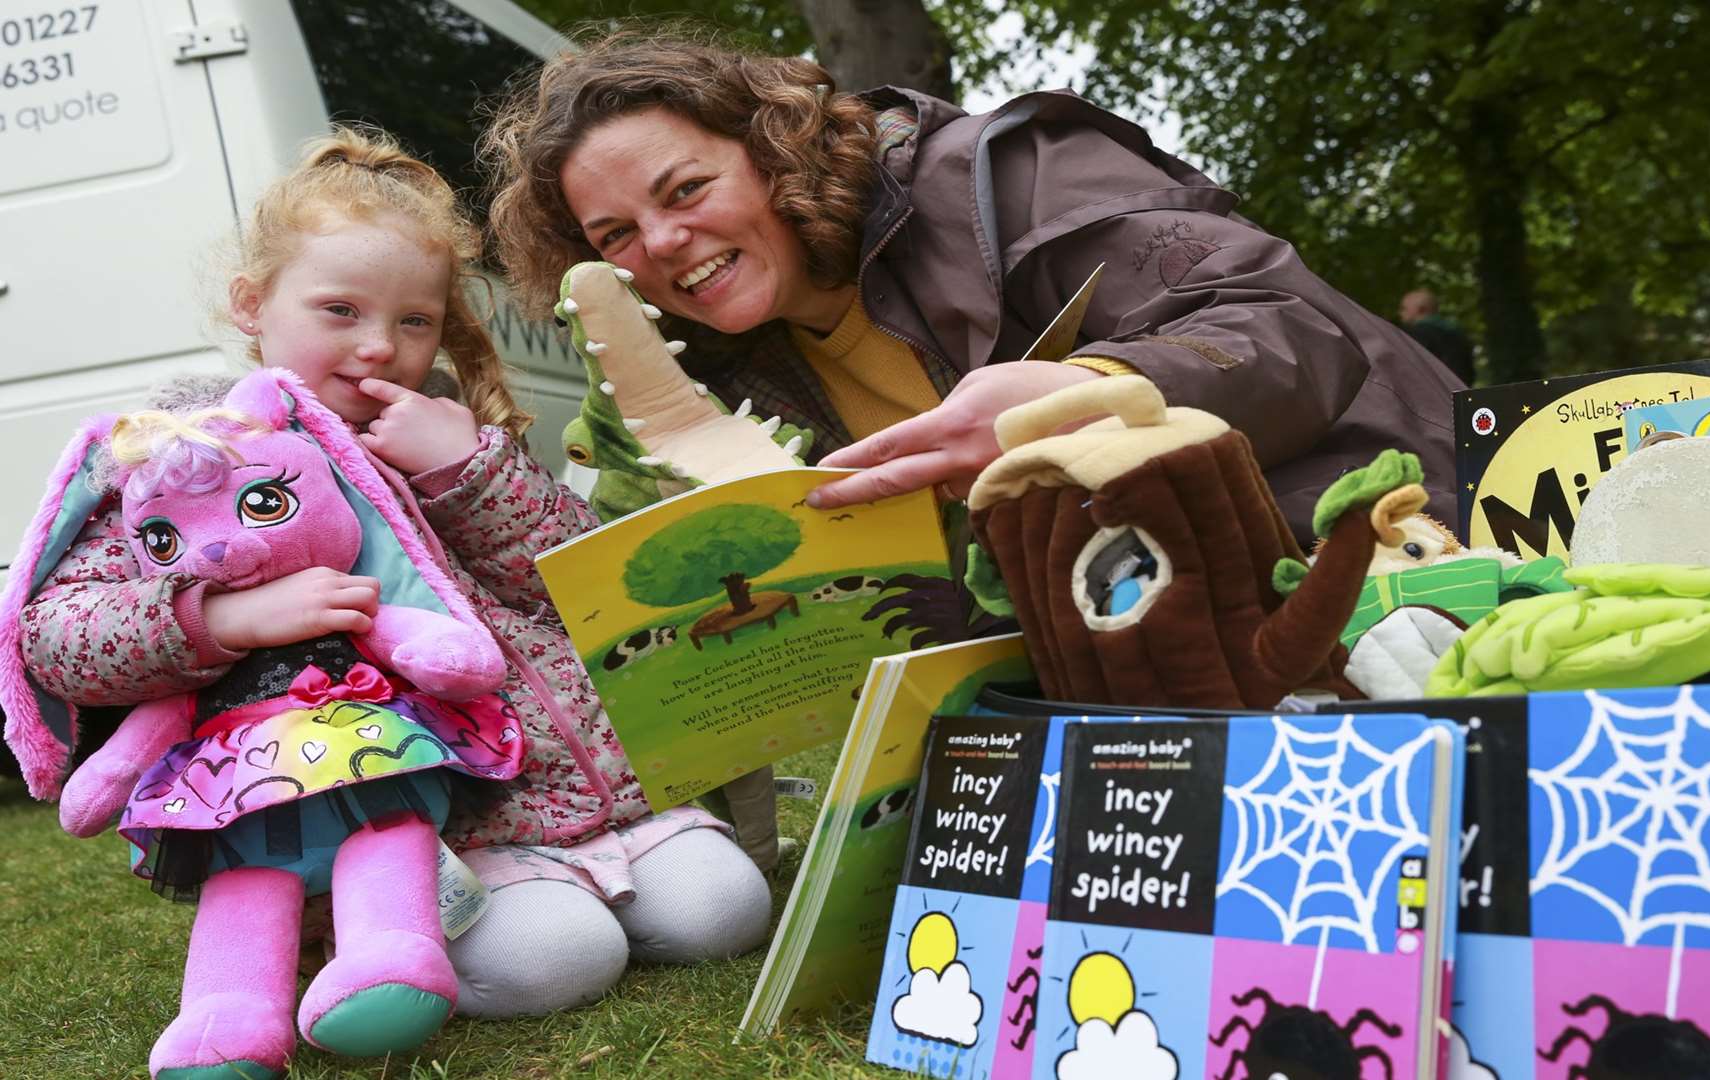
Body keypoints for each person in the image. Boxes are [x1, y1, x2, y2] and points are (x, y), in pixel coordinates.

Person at [17, 128, 772, 1027]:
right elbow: (59, 634)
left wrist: (472, 471)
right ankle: (384, 936)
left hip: (596, 789)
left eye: (414, 321)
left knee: (726, 910)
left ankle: (598, 880)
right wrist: (224, 615)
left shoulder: (444, 428)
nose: (381, 347)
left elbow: (577, 581)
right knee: (555, 961)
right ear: (254, 303)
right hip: (445, 827)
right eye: (341, 310)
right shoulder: (184, 456)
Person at [481, 27, 1465, 542]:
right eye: (617, 234)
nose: (662, 243)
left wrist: (1084, 396)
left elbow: (1286, 324)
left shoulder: (999, 174)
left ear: (773, 152)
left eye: (687, 188)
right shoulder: (730, 367)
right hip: (1159, 629)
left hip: (1401, 527)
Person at [1399, 288, 1476, 386]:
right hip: (1461, 392)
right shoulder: (1456, 332)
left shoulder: (1419, 333)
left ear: (1421, 309)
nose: (1401, 313)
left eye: (1404, 308)